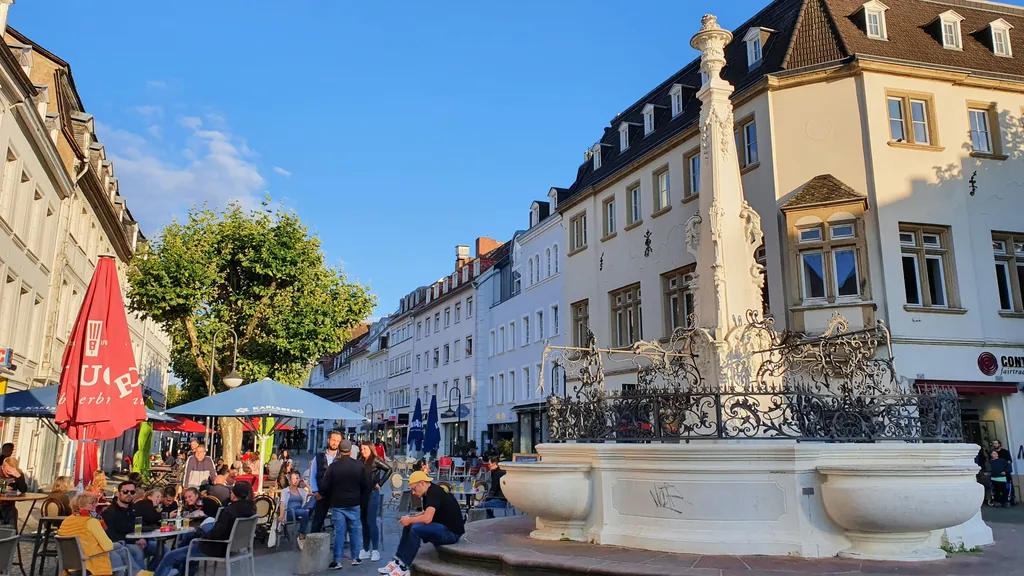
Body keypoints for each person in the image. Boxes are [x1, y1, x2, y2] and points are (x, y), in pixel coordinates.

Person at [152, 481, 255, 576]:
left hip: (214, 548)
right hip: (232, 547)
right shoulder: (251, 510)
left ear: (234, 494)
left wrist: (203, 536)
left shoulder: (229, 511)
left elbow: (216, 533)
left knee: (170, 557)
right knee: (189, 543)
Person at [377, 471, 464, 576]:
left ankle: (404, 567)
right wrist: (410, 519)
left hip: (451, 533)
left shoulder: (433, 492)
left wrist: (409, 520)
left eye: (414, 488)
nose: (413, 492)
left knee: (415, 528)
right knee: (410, 525)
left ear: (422, 483)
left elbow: (427, 518)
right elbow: (425, 513)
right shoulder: (428, 492)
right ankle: (398, 560)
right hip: (442, 527)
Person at [59, 492, 141, 576]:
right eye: (92, 503)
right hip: (90, 561)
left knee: (120, 547)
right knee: (122, 551)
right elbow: (108, 546)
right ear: (81, 506)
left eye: (95, 503)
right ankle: (137, 572)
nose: (95, 506)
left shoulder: (66, 521)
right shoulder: (91, 521)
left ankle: (138, 572)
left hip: (71, 562)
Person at [320, 439, 368, 569]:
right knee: (354, 531)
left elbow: (324, 486)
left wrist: (331, 494)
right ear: (351, 450)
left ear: (339, 451)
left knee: (339, 532)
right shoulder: (359, 466)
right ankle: (355, 557)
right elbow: (365, 485)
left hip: (337, 503)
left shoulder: (333, 467)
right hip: (354, 502)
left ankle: (337, 560)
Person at [101, 481, 155, 571]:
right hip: (123, 545)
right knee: (137, 550)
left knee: (163, 549)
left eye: (132, 492)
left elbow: (142, 526)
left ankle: (155, 572)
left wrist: (144, 538)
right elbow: (111, 536)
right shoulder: (109, 512)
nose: (129, 494)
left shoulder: (135, 509)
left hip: (140, 541)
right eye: (125, 491)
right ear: (119, 493)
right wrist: (135, 540)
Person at [359, 441, 393, 562]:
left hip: (372, 493)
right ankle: (366, 549)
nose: (363, 451)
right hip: (362, 494)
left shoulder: (375, 460)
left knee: (371, 521)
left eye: (365, 449)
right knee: (363, 522)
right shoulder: (360, 460)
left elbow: (389, 469)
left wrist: (380, 483)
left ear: (370, 449)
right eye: (361, 449)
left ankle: (375, 550)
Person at [310, 430, 343, 533]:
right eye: (333, 440)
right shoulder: (319, 457)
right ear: (328, 440)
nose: (335, 443)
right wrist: (315, 491)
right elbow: (313, 474)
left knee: (339, 522)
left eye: (338, 441)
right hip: (322, 494)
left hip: (337, 495)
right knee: (317, 521)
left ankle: (337, 545)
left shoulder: (342, 457)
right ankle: (314, 544)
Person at [279, 471, 311, 550]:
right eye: (293, 478)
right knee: (305, 512)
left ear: (299, 479)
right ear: (290, 480)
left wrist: (305, 484)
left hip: (300, 510)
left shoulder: (301, 491)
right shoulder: (285, 491)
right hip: (290, 511)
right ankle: (301, 537)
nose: (295, 480)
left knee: (312, 500)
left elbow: (311, 493)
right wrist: (281, 515)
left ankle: (301, 535)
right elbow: (282, 503)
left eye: (297, 478)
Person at [0, 457, 28, 526]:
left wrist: (19, 476)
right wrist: (2, 489)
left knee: (12, 515)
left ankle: (12, 534)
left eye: (13, 469)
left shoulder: (18, 473)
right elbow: (3, 490)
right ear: (4, 466)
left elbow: (23, 491)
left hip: (9, 505)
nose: (10, 472)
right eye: (9, 469)